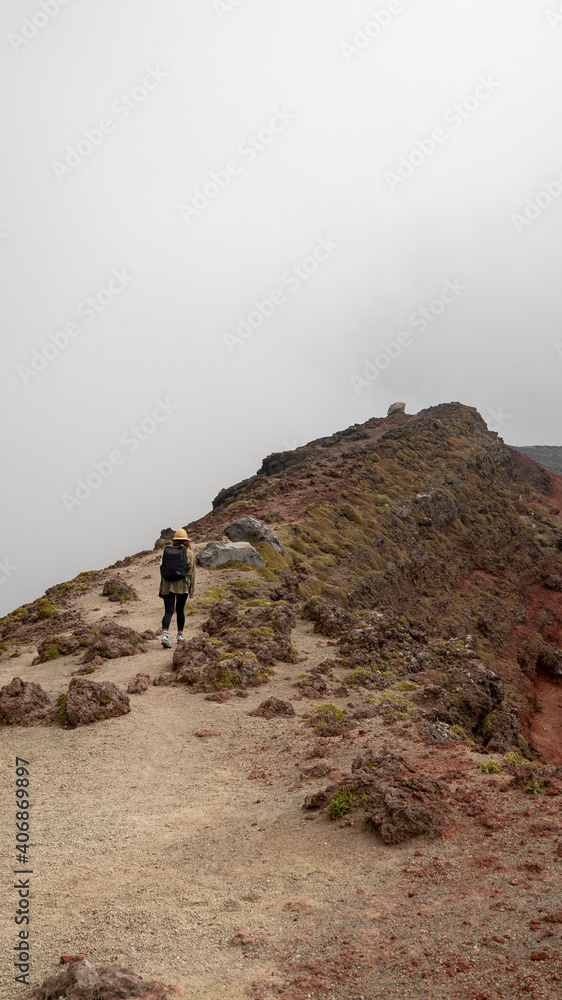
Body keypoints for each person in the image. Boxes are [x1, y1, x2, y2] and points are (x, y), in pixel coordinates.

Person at [159, 529, 196, 648]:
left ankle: (165, 635)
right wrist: (191, 590)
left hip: (167, 585)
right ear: (186, 541)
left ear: (175, 541)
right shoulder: (189, 553)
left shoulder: (167, 551)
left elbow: (163, 569)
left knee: (168, 611)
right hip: (182, 586)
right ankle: (180, 636)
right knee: (180, 610)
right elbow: (191, 573)